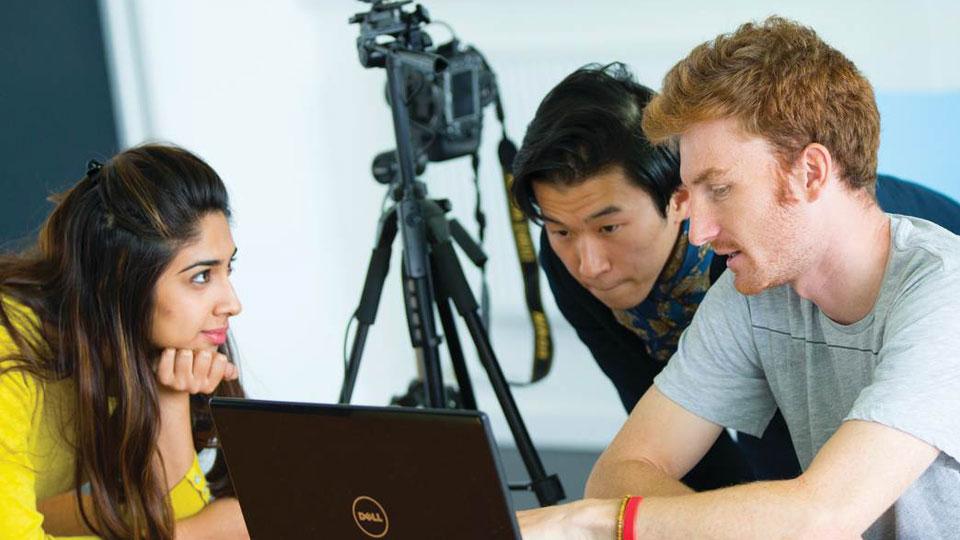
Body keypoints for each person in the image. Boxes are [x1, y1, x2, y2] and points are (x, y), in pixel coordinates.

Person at [518, 17, 960, 539]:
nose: (698, 231)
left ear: (811, 173)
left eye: (721, 190)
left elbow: (820, 516)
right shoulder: (752, 289)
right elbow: (620, 473)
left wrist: (591, 521)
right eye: (692, 193)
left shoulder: (943, 294)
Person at [0, 144, 249, 539]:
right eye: (201, 276)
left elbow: (155, 520)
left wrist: (170, 400)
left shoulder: (121, 352)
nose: (232, 304)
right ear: (119, 279)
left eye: (227, 269)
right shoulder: (9, 351)